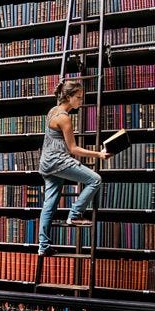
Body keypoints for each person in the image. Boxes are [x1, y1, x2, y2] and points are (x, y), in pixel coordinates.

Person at [37, 79, 107, 257]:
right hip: (58, 161)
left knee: (49, 204)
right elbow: (73, 149)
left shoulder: (53, 111)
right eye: (78, 97)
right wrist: (99, 154)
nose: (81, 101)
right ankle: (75, 214)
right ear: (68, 97)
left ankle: (43, 246)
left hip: (46, 163)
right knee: (95, 179)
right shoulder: (64, 118)